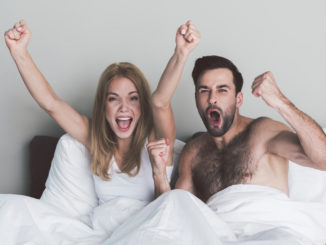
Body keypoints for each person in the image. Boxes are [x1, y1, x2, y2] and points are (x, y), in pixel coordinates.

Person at [4, 20, 200, 204]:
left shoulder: (158, 139)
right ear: (103, 106)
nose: (124, 107)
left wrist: (180, 54)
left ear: (143, 105)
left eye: (133, 98)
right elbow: (51, 103)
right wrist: (19, 52)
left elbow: (161, 102)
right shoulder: (95, 138)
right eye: (113, 98)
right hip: (106, 234)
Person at [149, 55, 326, 201]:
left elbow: (323, 159)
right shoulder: (194, 152)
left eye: (222, 90)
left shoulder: (263, 132)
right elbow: (175, 215)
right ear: (196, 98)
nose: (212, 99)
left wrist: (280, 102)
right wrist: (159, 174)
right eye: (204, 90)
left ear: (238, 99)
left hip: (269, 232)